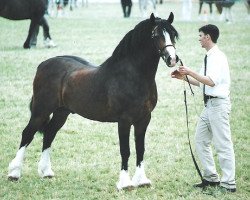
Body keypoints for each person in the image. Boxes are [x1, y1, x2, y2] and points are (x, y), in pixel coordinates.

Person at [171, 24, 236, 192]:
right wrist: (183, 78)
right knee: (200, 140)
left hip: (218, 105)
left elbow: (211, 81)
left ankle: (229, 184)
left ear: (208, 37)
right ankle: (211, 178)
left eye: (200, 35)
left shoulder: (218, 57)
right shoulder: (209, 56)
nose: (199, 38)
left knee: (223, 145)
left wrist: (190, 71)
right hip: (209, 106)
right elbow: (201, 82)